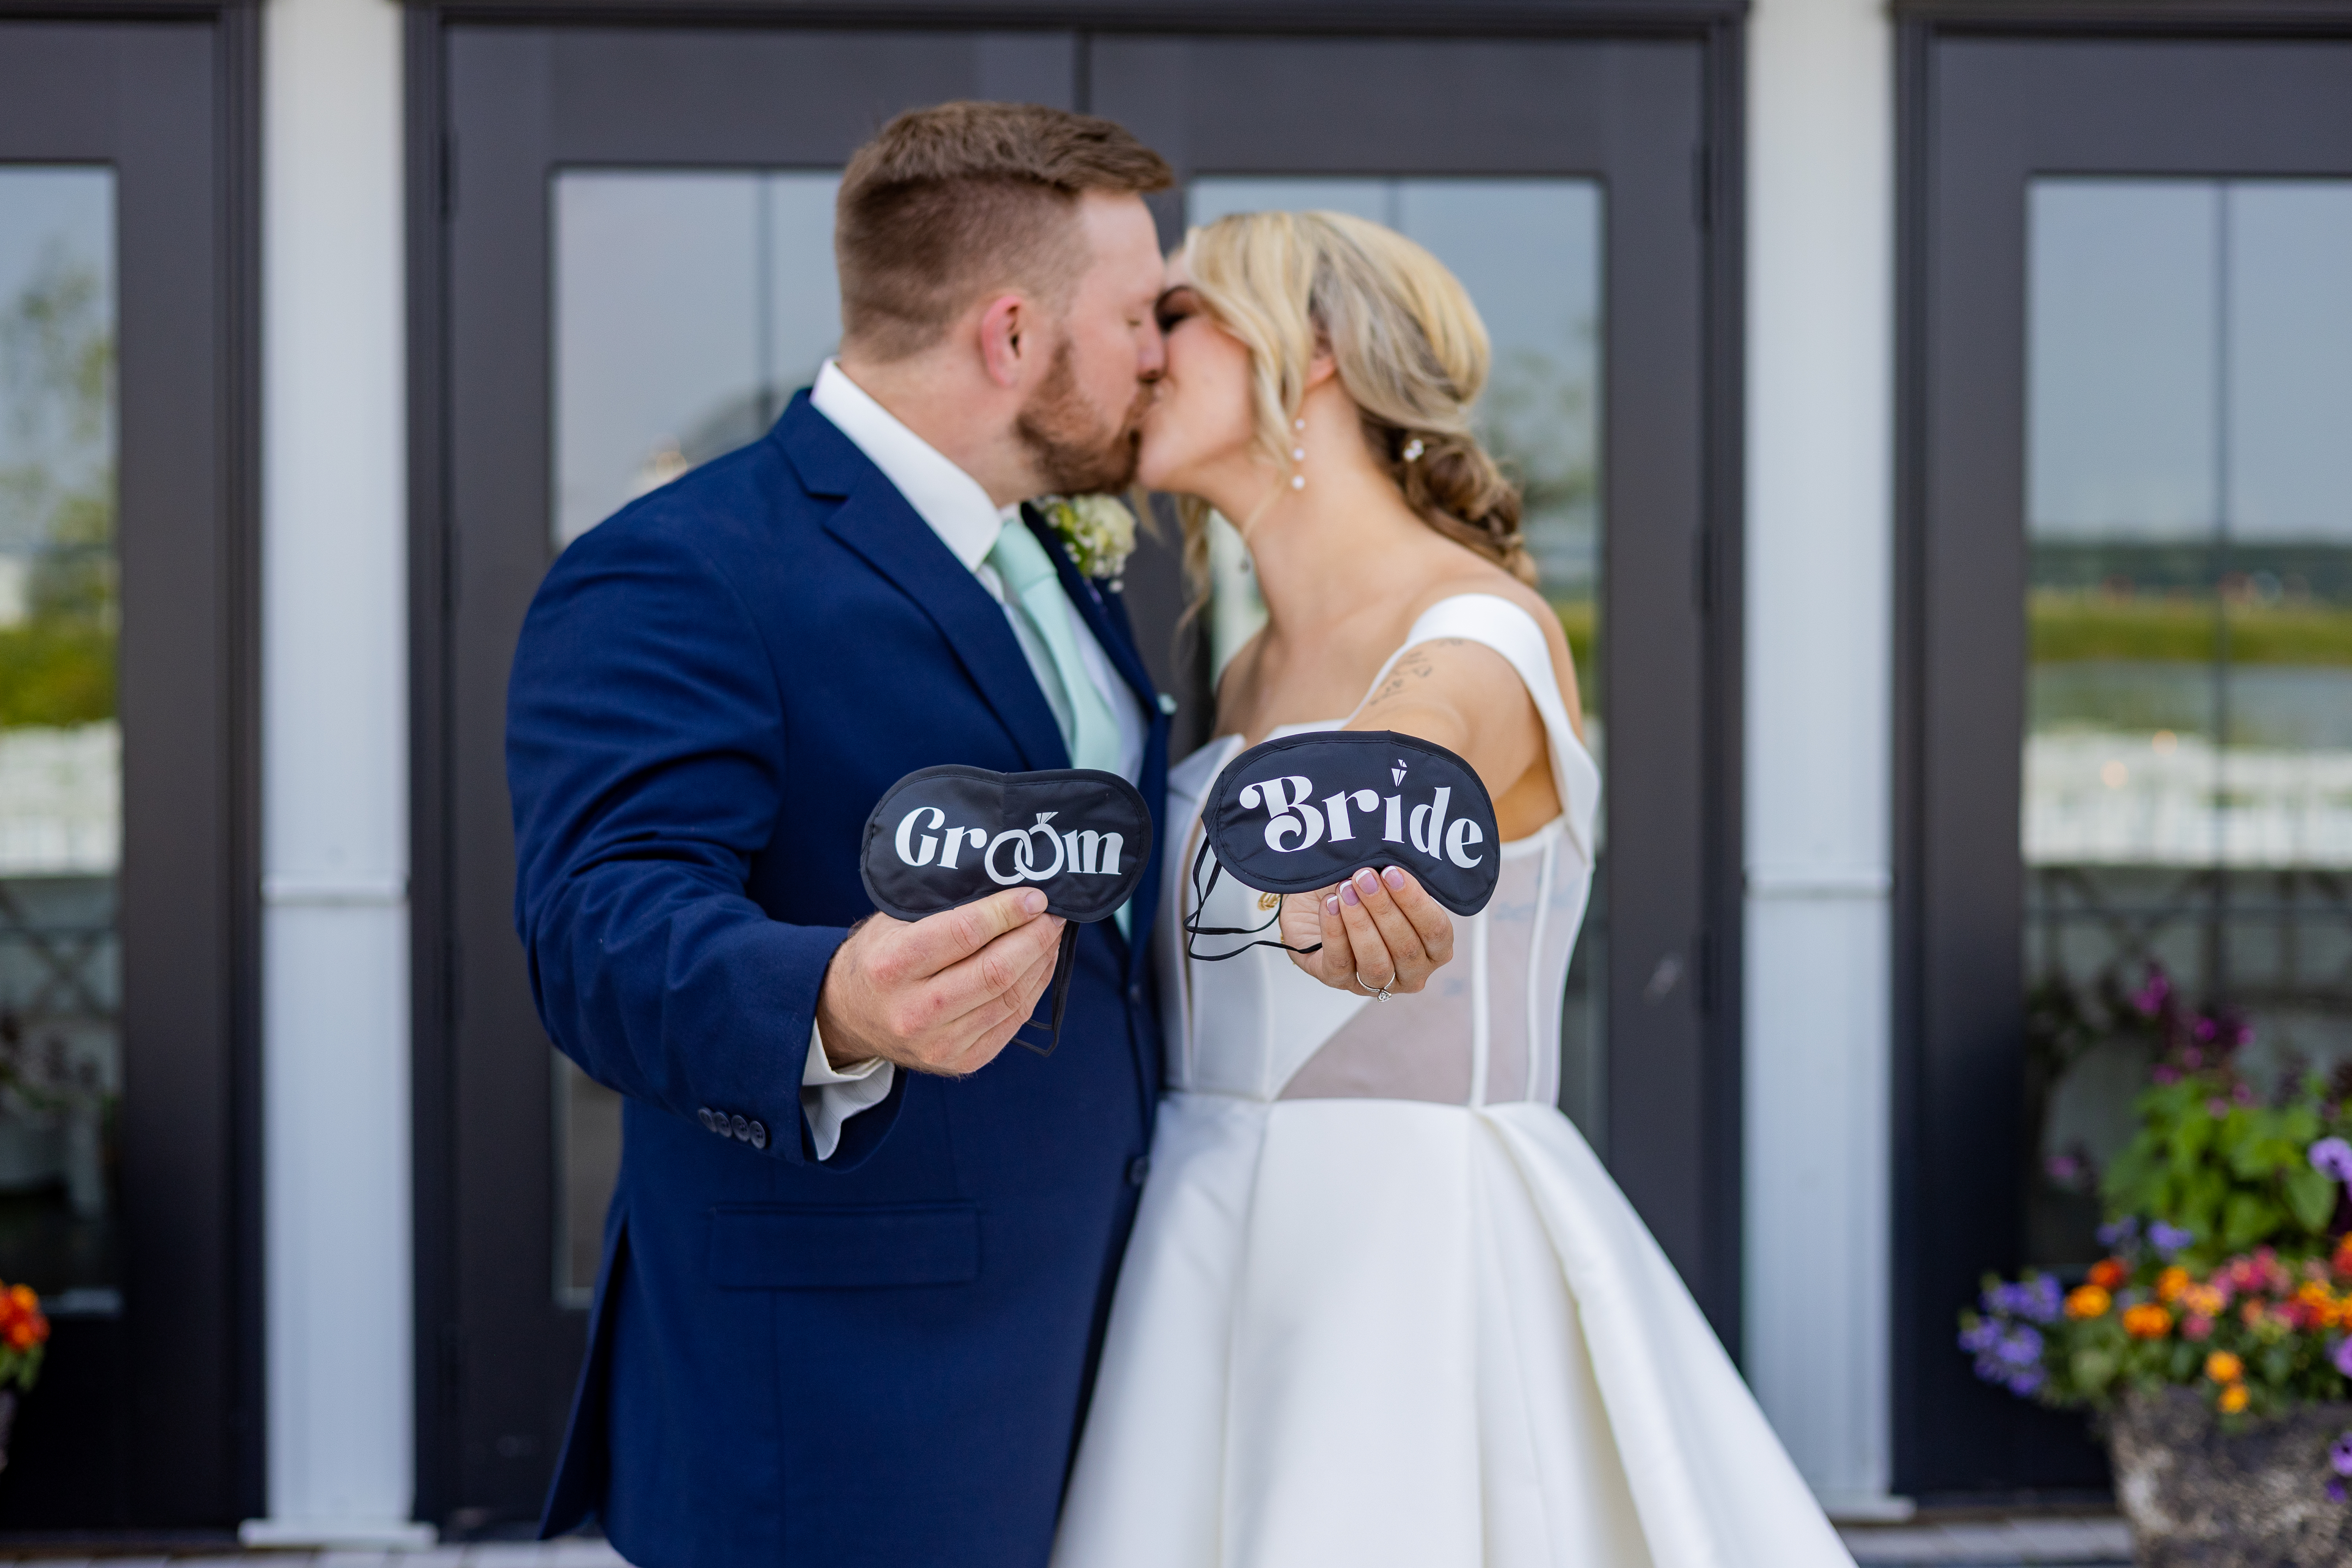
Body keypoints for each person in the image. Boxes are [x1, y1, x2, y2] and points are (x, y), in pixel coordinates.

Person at [1051, 210, 1855, 1568]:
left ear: (1304, 352)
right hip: (1203, 1235)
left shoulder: (1473, 626)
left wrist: (1367, 859)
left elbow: (1413, 754)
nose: (1139, 351)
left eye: (1175, 315)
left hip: (1405, 1253)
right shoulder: (1239, 673)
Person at [508, 102, 1176, 1568]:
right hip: (850, 1385)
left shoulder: (1063, 553)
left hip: (1103, 1327)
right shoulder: (681, 568)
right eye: (1137, 316)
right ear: (1011, 336)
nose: (1160, 356)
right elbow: (599, 925)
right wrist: (834, 1002)